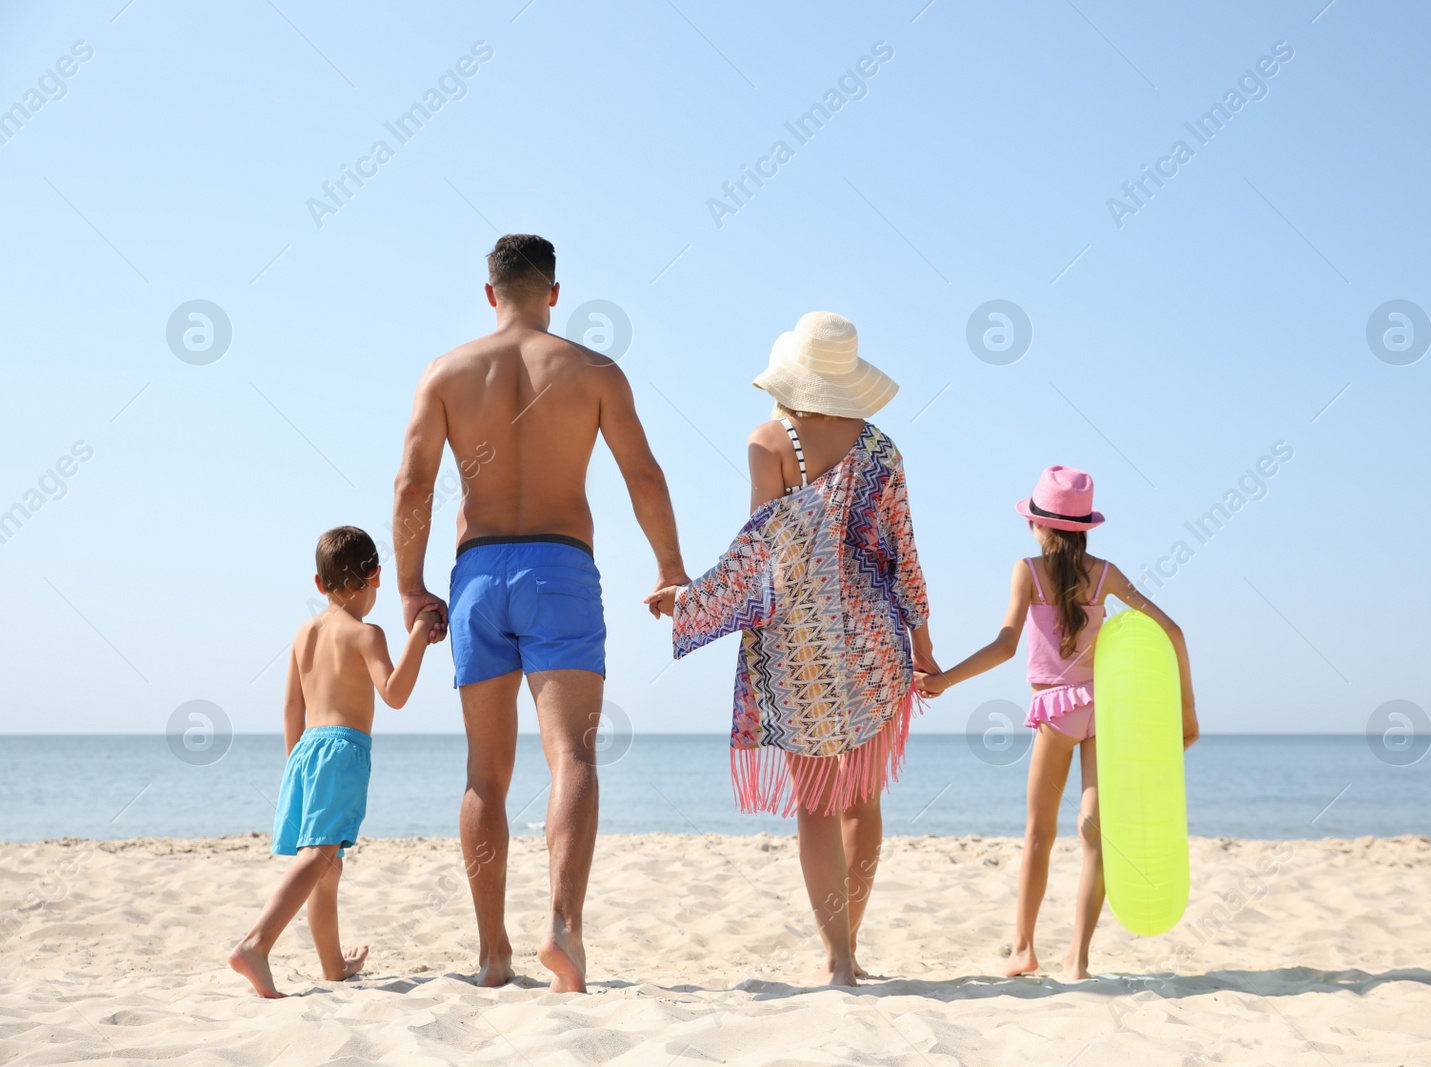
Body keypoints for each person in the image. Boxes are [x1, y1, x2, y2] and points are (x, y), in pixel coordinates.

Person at [392, 234, 687, 992]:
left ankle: (493, 952)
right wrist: (669, 567)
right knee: (574, 756)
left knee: (484, 775)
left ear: (489, 293)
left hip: (478, 573)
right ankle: (563, 927)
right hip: (558, 565)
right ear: (555, 292)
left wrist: (410, 586)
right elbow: (643, 474)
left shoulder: (446, 372)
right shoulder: (592, 371)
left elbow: (411, 486)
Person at [646, 311, 935, 988]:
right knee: (863, 797)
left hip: (800, 647)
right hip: (871, 645)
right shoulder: (883, 451)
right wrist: (924, 646)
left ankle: (836, 955)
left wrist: (689, 599)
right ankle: (851, 947)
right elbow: (906, 561)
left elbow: (761, 553)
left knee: (816, 805)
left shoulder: (770, 440)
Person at [914, 466, 1198, 979]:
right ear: (1084, 527)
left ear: (1039, 526)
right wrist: (1186, 712)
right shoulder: (1105, 572)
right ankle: (1078, 958)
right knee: (1095, 833)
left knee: (1039, 834)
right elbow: (1172, 630)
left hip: (1055, 711)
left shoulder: (1028, 570)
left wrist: (946, 681)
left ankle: (1024, 950)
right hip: (1105, 711)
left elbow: (1005, 645)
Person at [229, 526, 441, 998]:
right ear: (376, 576)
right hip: (343, 750)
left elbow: (291, 707)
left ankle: (332, 967)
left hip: (304, 749)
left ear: (319, 583)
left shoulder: (305, 633)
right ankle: (255, 945)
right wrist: (421, 634)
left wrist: (294, 766)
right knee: (319, 856)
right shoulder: (367, 634)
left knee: (329, 868)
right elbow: (396, 694)